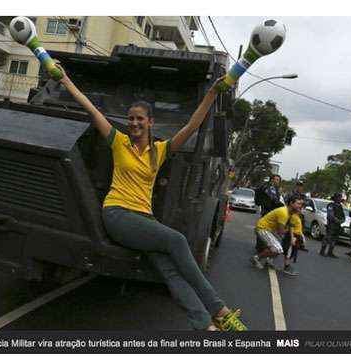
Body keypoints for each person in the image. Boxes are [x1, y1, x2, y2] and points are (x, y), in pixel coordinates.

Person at [57, 64, 246, 331]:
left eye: (139, 119)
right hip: (118, 215)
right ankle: (220, 310)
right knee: (177, 240)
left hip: (145, 219)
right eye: (131, 118)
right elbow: (90, 108)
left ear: (150, 122)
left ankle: (205, 326)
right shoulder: (117, 141)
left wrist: (213, 93)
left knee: (169, 270)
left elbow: (193, 125)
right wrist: (65, 79)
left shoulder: (160, 151)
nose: (134, 123)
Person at [251, 194, 305, 276]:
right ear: (291, 203)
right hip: (262, 229)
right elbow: (281, 231)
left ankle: (268, 261)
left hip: (269, 230)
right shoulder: (284, 213)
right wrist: (291, 237)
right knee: (278, 249)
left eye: (301, 204)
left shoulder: (289, 213)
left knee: (279, 247)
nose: (300, 206)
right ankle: (256, 258)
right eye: (298, 204)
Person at [320, 193, 345, 258]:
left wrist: (342, 221)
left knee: (334, 239)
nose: (340, 199)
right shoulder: (331, 205)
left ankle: (330, 252)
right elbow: (330, 215)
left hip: (337, 226)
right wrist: (337, 220)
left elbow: (343, 216)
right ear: (335, 198)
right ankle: (322, 251)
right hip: (331, 225)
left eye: (340, 197)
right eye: (339, 197)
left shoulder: (340, 206)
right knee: (327, 238)